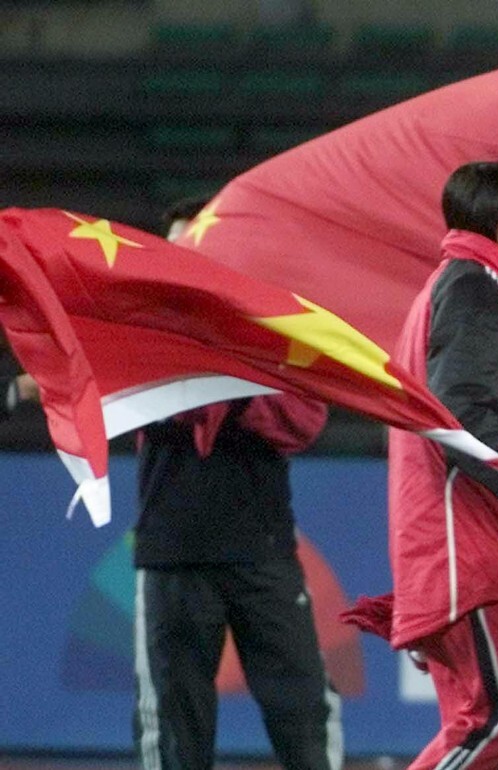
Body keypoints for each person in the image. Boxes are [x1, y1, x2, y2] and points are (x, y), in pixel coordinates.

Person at [133, 199, 341, 770]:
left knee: (304, 718)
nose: (190, 260)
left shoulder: (272, 331)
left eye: (202, 247)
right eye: (178, 248)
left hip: (262, 549)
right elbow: (128, 400)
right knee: (175, 730)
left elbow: (305, 421)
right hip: (173, 551)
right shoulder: (138, 329)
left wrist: (235, 377)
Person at [387, 161, 498, 770]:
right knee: (497, 720)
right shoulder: (473, 286)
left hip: (451, 544)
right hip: (465, 550)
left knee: (486, 732)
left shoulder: (451, 284)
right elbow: (459, 418)